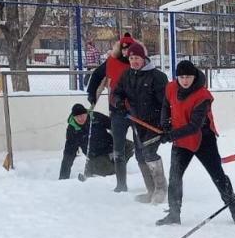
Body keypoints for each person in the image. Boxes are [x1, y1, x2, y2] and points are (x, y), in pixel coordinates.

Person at [155, 60, 235, 225]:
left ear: (194, 76)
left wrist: (171, 135)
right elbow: (166, 106)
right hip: (181, 141)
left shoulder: (202, 96)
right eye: (181, 77)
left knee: (218, 176)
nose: (185, 80)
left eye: (188, 76)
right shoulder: (171, 88)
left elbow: (194, 126)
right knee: (175, 177)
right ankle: (174, 214)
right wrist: (165, 124)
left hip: (204, 139)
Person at [112, 41, 168, 202]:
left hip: (154, 122)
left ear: (144, 58)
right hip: (137, 122)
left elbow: (166, 102)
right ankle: (150, 190)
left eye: (137, 58)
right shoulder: (127, 75)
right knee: (140, 155)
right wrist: (119, 103)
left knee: (149, 153)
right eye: (131, 58)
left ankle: (160, 189)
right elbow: (117, 93)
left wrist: (166, 123)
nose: (134, 61)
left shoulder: (157, 77)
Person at [86, 33, 136, 192]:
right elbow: (97, 76)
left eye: (130, 48)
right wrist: (92, 94)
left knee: (143, 149)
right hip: (117, 111)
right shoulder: (112, 62)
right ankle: (121, 184)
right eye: (124, 48)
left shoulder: (138, 62)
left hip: (137, 112)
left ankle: (153, 184)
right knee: (118, 148)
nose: (127, 51)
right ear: (120, 49)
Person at [59, 103, 134, 180]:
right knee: (108, 169)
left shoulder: (95, 117)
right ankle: (94, 169)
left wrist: (125, 120)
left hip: (110, 146)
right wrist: (63, 177)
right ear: (73, 117)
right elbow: (69, 154)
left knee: (130, 146)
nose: (80, 119)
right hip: (96, 156)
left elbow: (113, 124)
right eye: (77, 117)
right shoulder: (72, 130)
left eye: (82, 115)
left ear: (86, 113)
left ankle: (116, 166)